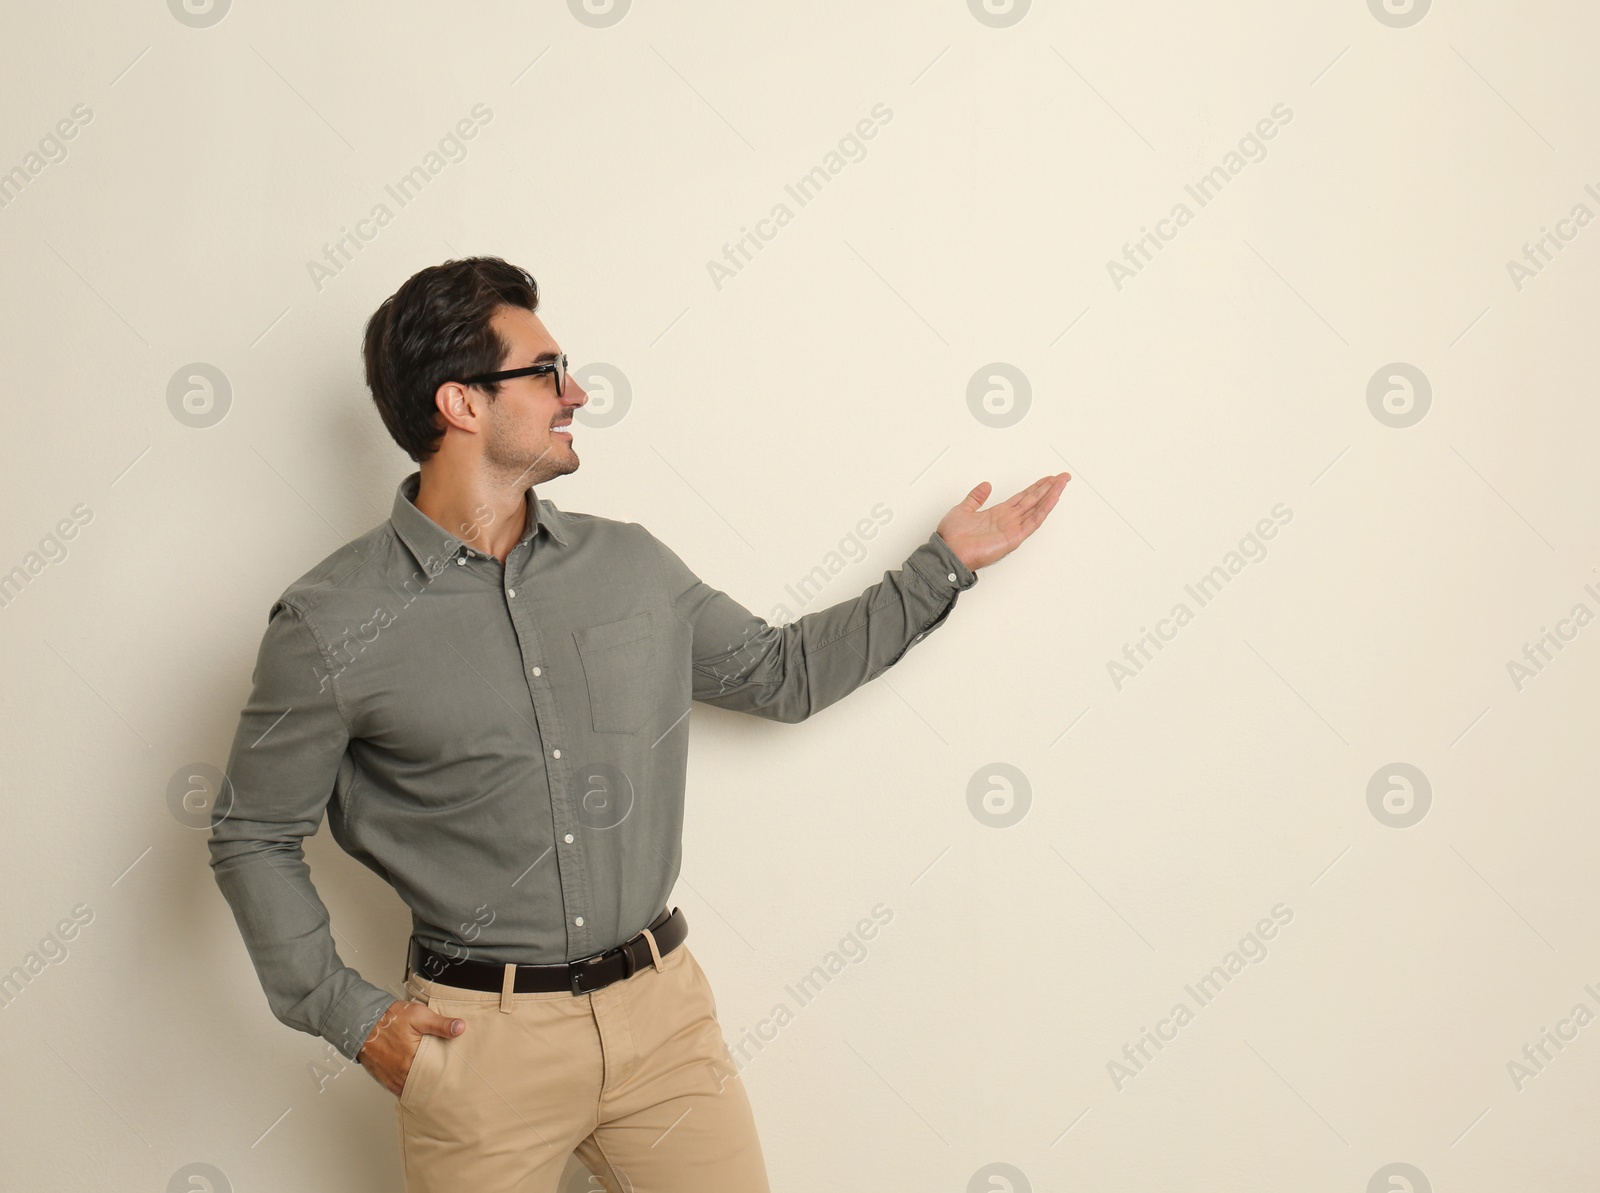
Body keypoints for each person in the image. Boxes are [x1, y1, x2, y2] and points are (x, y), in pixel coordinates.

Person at [207, 255, 1070, 1192]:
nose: (574, 391)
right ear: (460, 403)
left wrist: (941, 565)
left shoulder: (630, 566)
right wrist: (350, 1014)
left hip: (665, 1029)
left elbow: (782, 674)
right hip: (478, 1052)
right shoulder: (330, 621)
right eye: (546, 372)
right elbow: (252, 832)